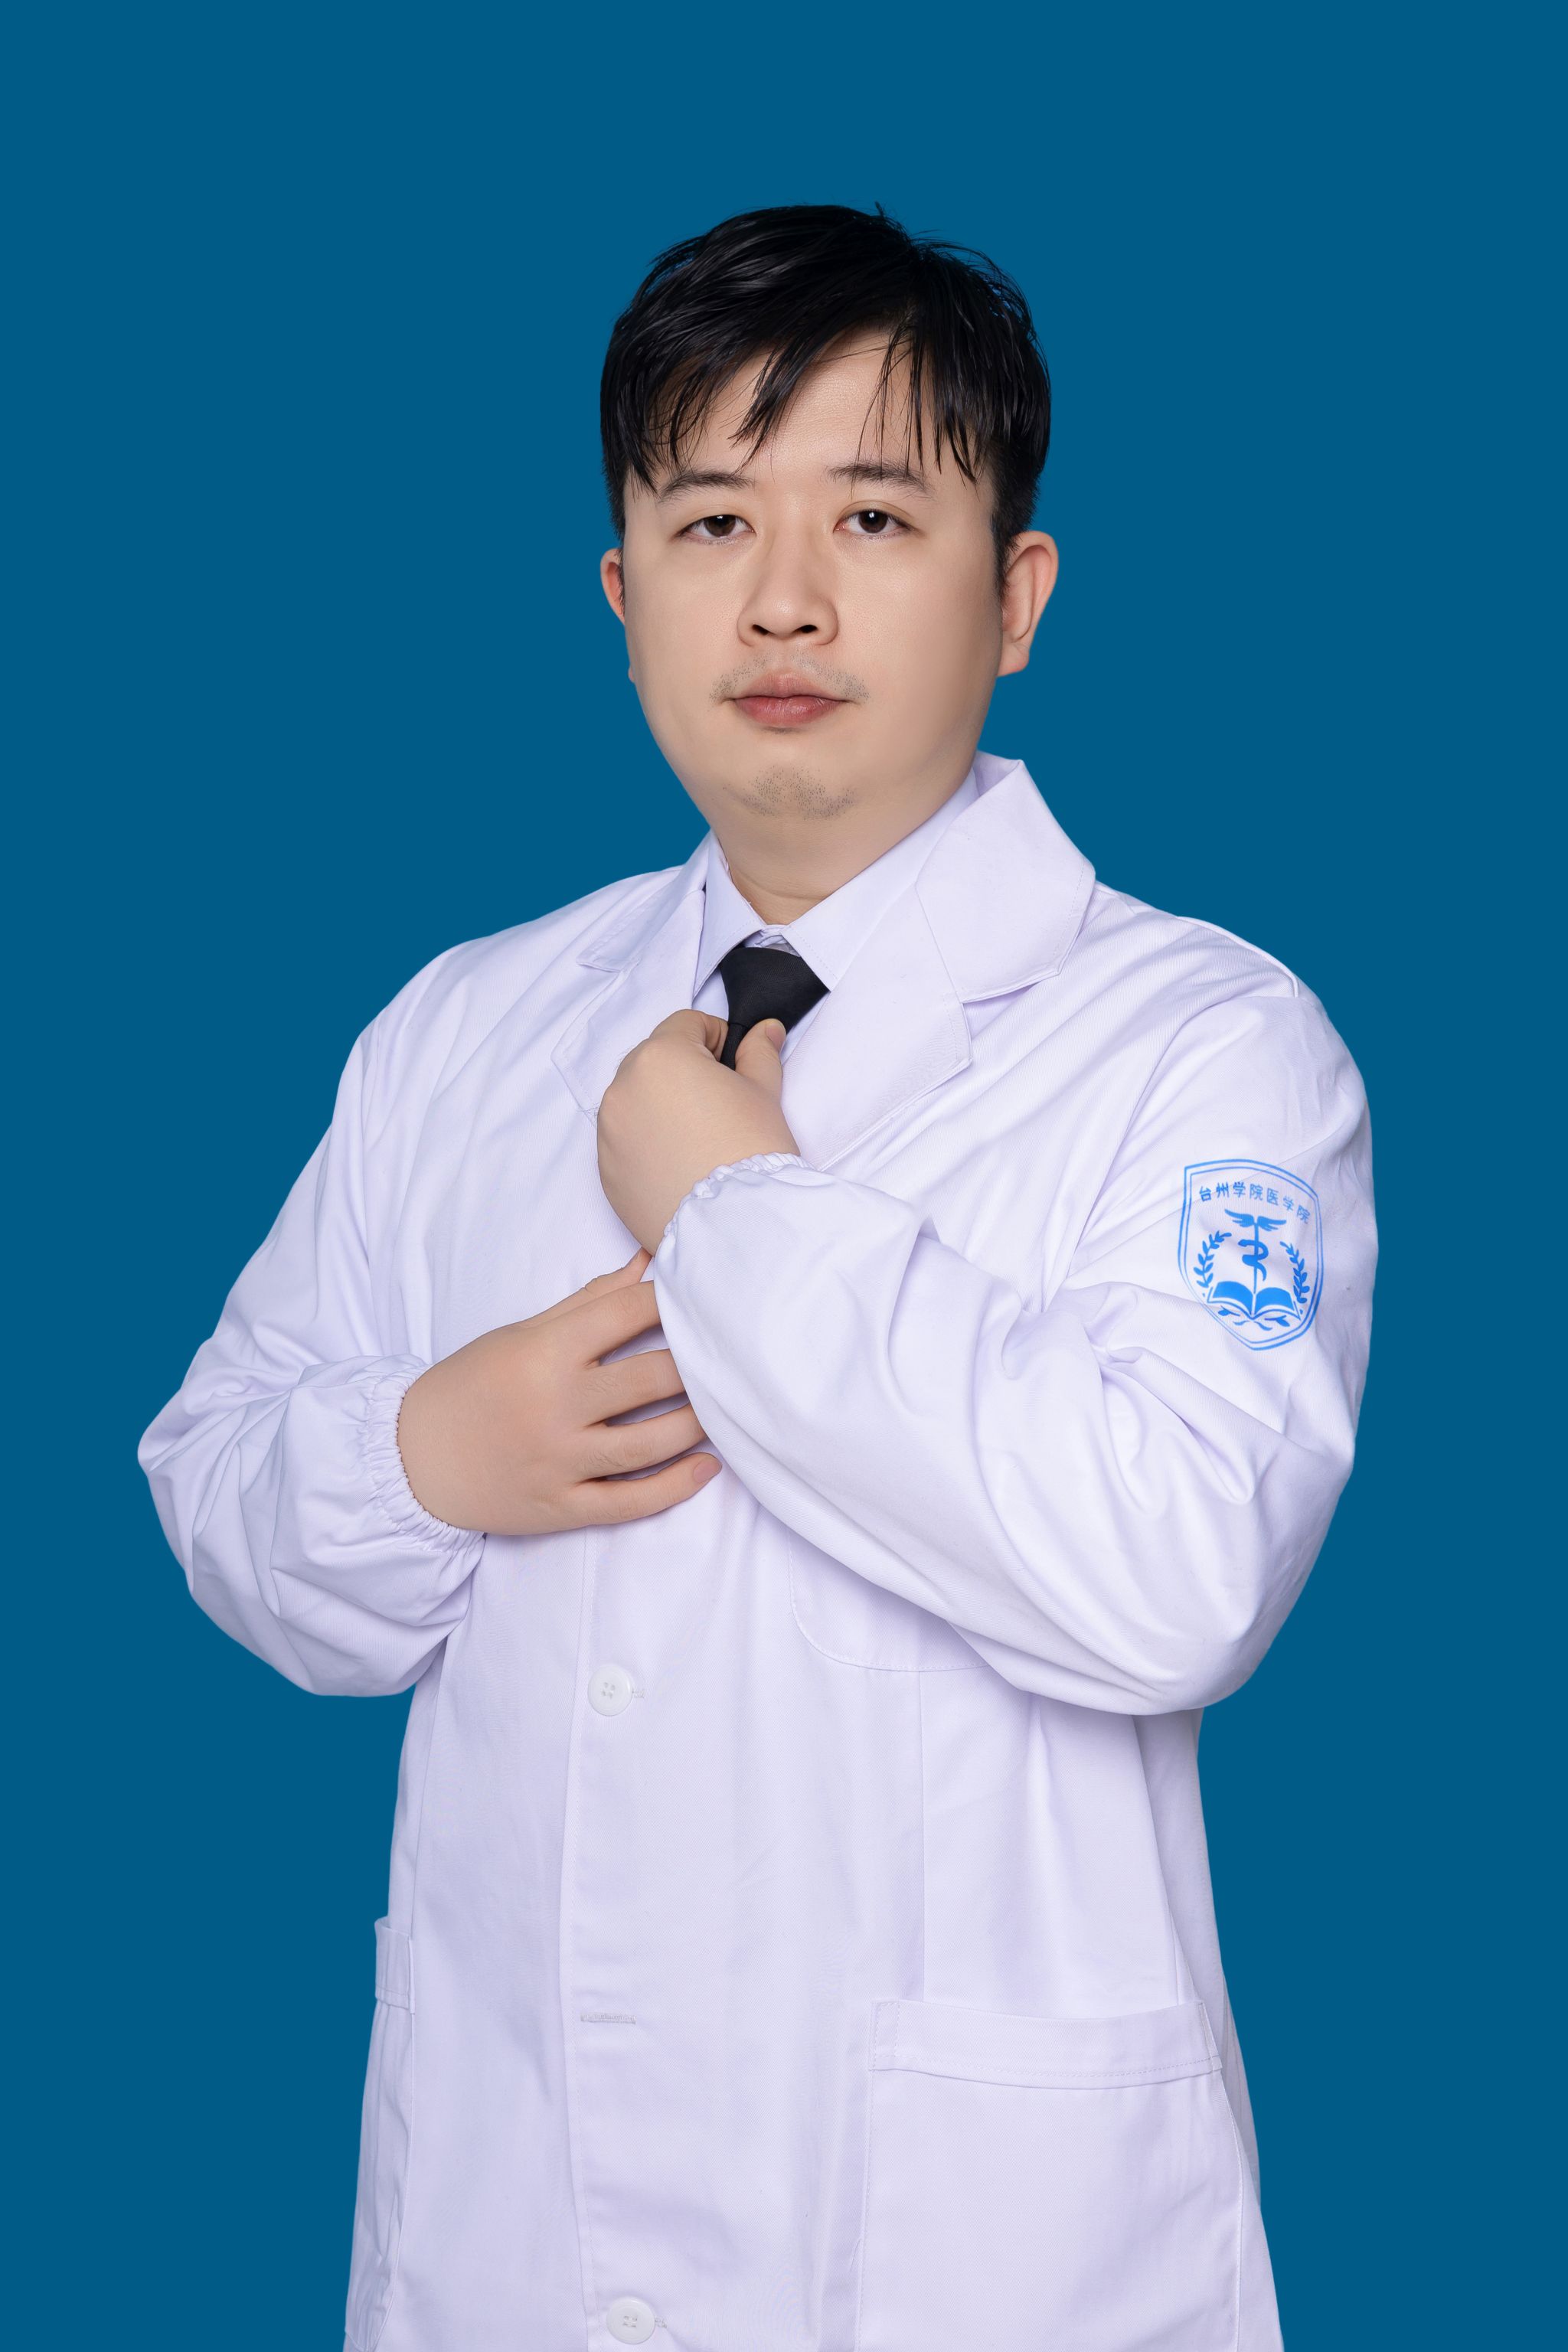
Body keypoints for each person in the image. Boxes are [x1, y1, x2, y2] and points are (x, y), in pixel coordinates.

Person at [139, 203, 1376, 2352]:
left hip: (984, 2271)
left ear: (1016, 595)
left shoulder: (1200, 1044)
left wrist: (736, 1218)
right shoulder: (468, 1027)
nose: (783, 598)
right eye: (711, 520)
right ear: (625, 598)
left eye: (874, 517)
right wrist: (430, 1456)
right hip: (518, 2241)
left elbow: (1177, 1570)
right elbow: (213, 1476)